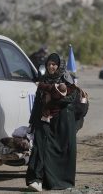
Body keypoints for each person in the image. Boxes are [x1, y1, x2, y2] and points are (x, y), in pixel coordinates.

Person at [26, 53, 79, 192]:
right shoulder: (43, 80)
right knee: (40, 146)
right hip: (44, 118)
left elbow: (72, 97)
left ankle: (57, 181)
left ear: (59, 65)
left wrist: (55, 98)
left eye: (54, 64)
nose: (51, 67)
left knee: (59, 150)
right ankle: (36, 179)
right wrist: (32, 121)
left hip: (62, 120)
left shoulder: (67, 79)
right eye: (49, 64)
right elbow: (38, 102)